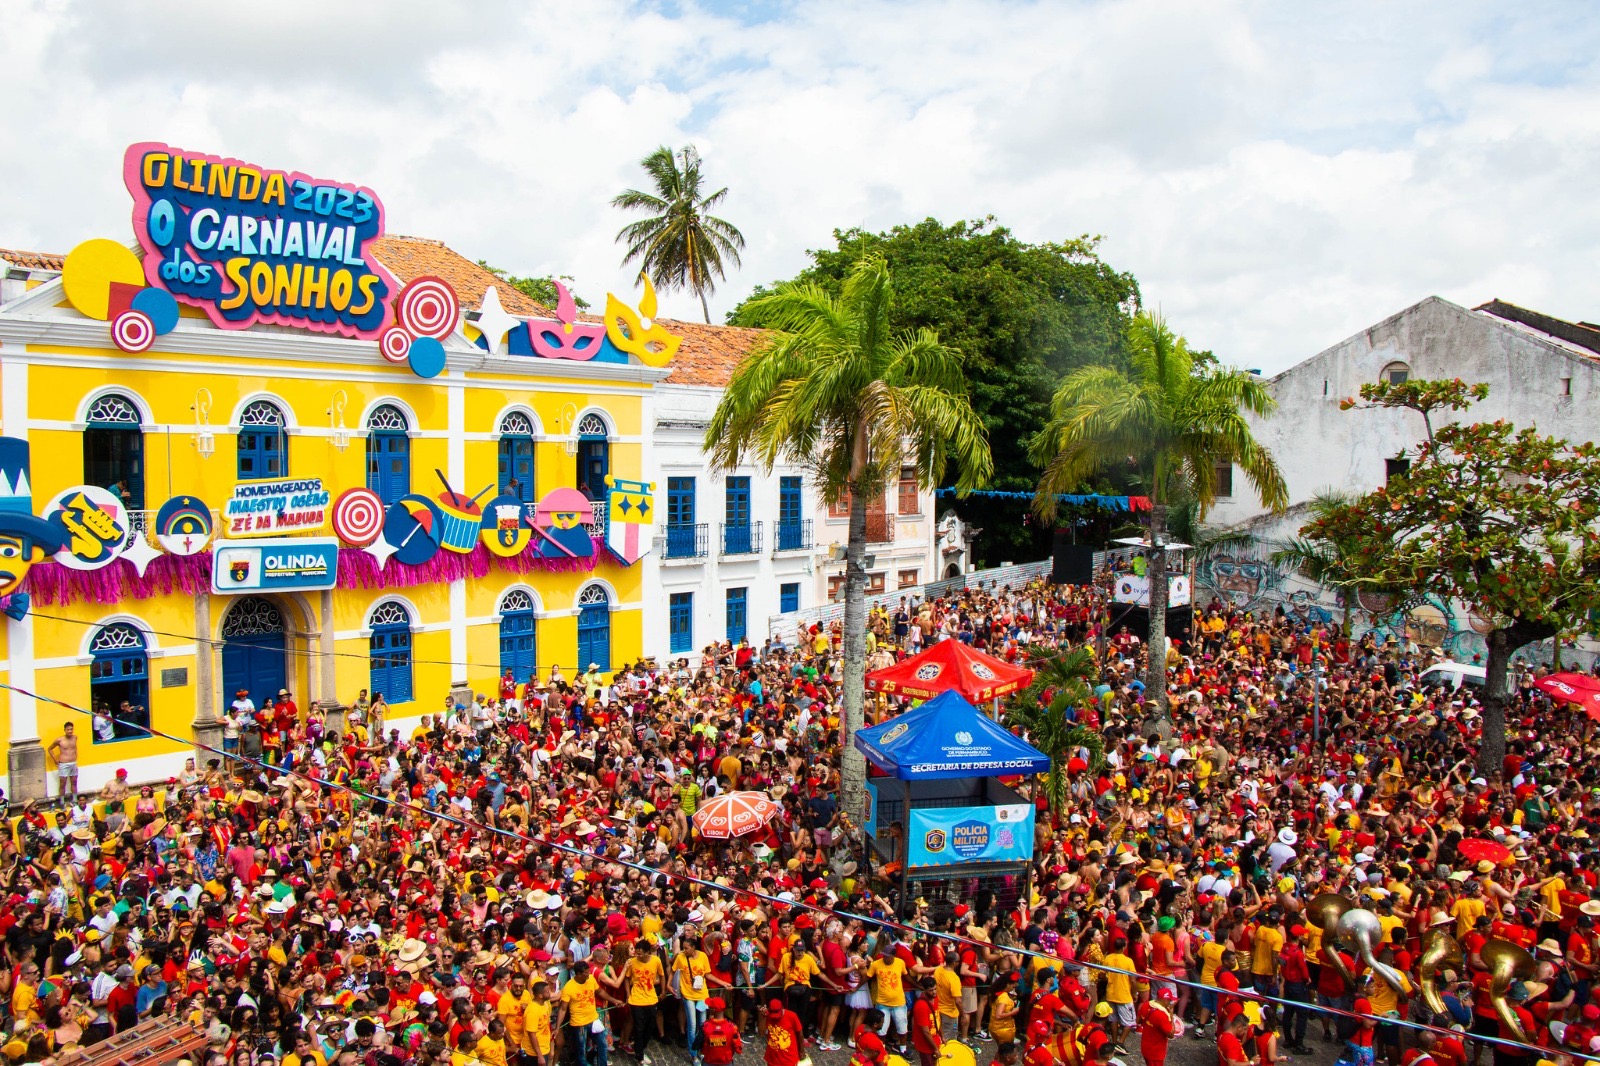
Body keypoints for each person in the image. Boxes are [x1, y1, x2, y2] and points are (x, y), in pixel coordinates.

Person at [47, 721, 79, 801]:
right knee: (62, 783)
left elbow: (75, 748)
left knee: (74, 782)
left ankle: (74, 800)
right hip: (64, 764)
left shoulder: (75, 737)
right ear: (65, 730)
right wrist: (55, 759)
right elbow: (50, 749)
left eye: (71, 729)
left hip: (73, 763)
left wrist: (76, 756)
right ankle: (62, 802)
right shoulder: (59, 740)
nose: (70, 731)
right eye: (68, 730)